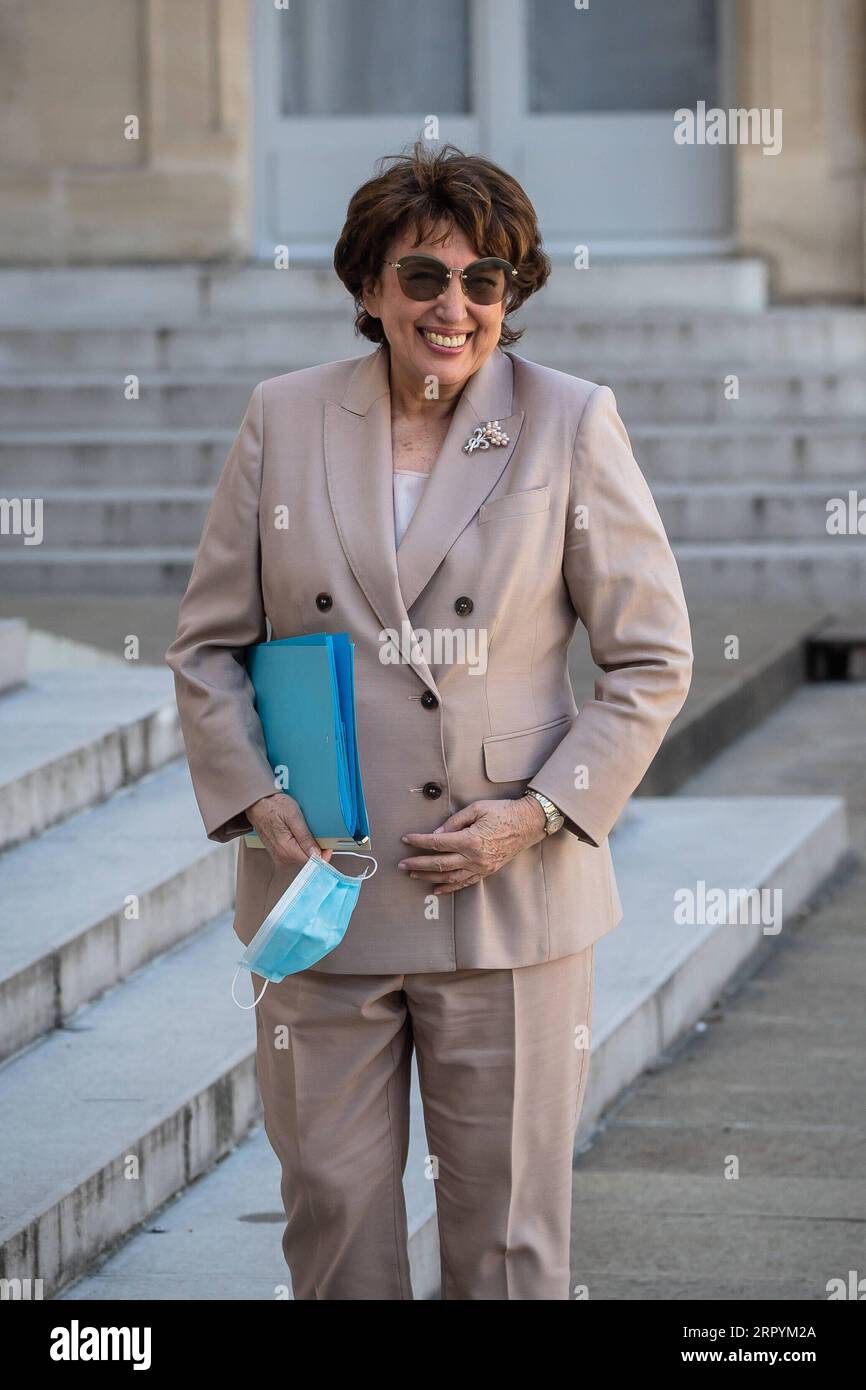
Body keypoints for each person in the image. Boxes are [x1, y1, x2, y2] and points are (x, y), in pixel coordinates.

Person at [165, 141, 693, 1300]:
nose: (452, 307)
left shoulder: (568, 420)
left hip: (506, 897)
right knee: (335, 1217)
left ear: (508, 294)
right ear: (368, 287)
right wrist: (252, 796)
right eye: (421, 276)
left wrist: (538, 813)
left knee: (503, 1237)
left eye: (481, 281)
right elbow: (207, 644)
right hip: (322, 893)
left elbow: (651, 657)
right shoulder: (284, 416)